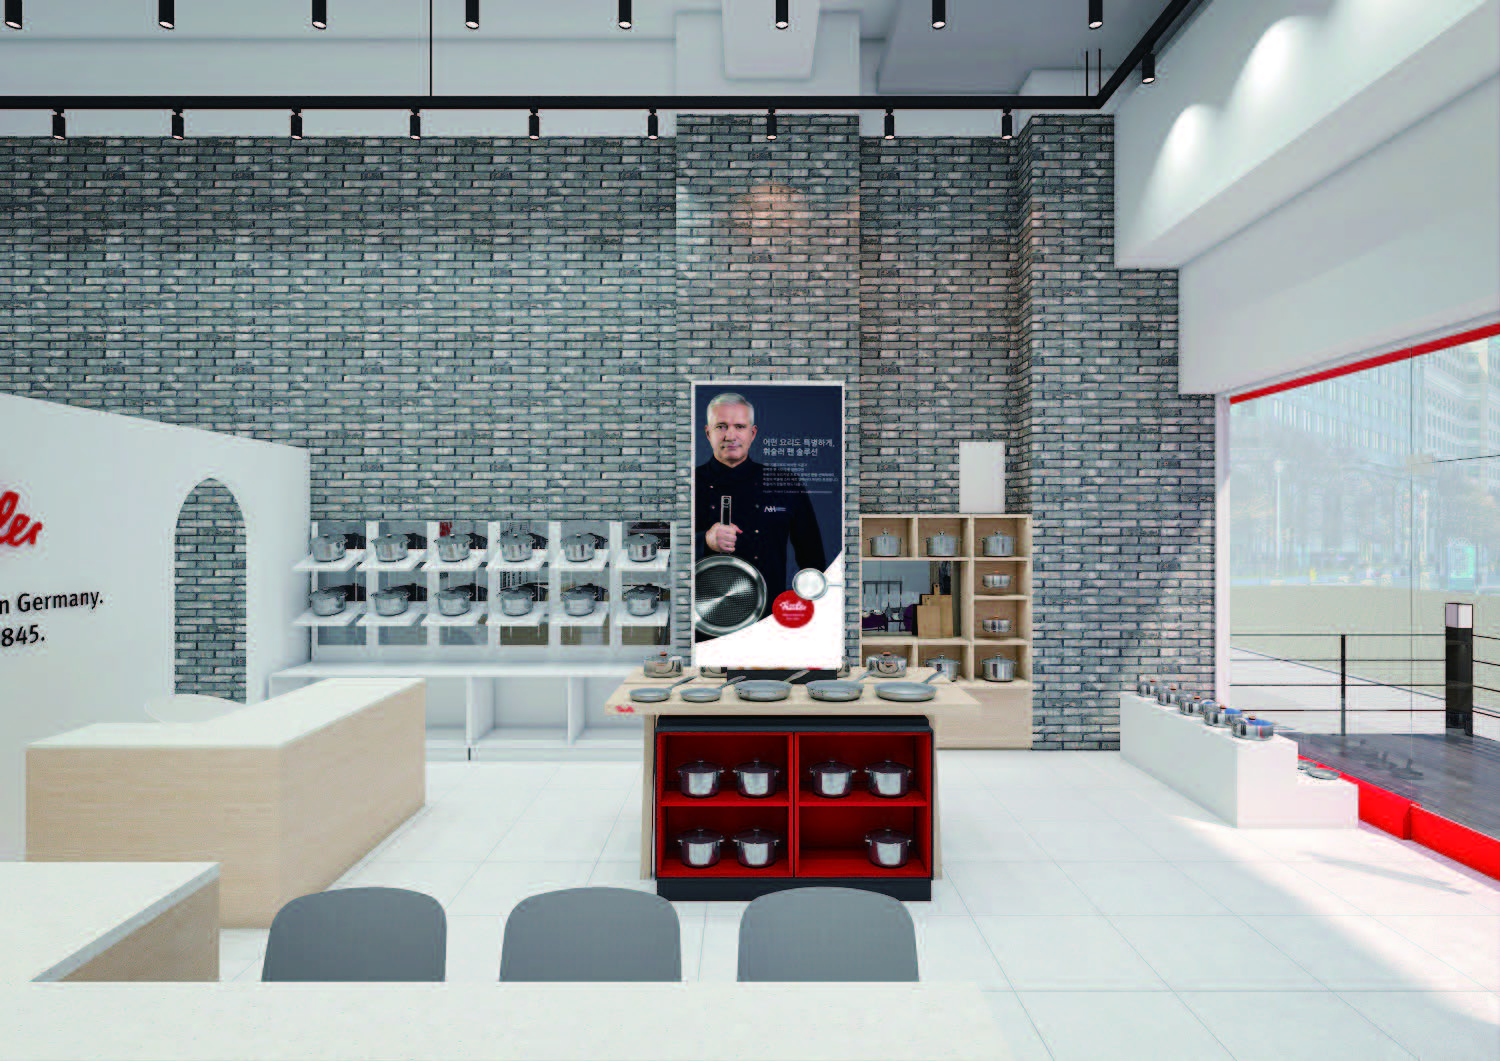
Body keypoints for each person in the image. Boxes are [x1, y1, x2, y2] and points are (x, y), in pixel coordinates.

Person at [695, 392, 827, 616]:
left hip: (769, 617)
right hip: (705, 618)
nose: (730, 435)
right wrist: (705, 540)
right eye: (721, 426)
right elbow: (663, 553)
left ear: (752, 433)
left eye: (739, 426)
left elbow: (813, 560)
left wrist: (812, 610)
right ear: (708, 433)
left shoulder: (785, 483)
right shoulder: (687, 485)